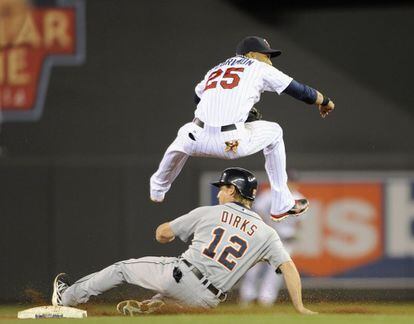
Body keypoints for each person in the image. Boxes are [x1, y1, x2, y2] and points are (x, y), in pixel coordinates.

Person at [52, 167, 316, 315]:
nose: (220, 192)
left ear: (232, 190)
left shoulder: (210, 212)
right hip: (207, 301)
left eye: (222, 187)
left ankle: (66, 297)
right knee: (176, 287)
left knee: (123, 268)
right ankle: (154, 305)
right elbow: (289, 269)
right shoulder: (266, 232)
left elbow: (162, 234)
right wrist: (300, 307)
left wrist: (166, 232)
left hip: (181, 277)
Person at [150, 36, 335, 221]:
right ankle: (282, 204)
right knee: (275, 132)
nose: (269, 61)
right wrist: (324, 101)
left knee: (182, 137)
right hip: (230, 142)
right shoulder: (259, 67)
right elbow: (300, 91)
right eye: (266, 55)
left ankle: (158, 189)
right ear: (251, 54)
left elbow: (198, 97)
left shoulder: (216, 69)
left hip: (196, 137)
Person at [239, 176, 304, 306]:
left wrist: (294, 234)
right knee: (254, 267)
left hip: (285, 240)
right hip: (265, 238)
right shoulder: (270, 195)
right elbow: (258, 213)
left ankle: (266, 299)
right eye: (290, 181)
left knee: (277, 271)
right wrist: (269, 228)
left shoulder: (299, 199)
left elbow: (300, 222)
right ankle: (247, 296)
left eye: (294, 181)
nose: (292, 184)